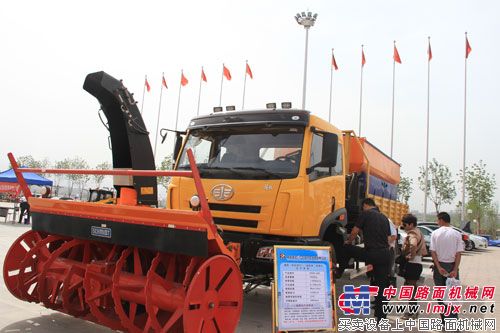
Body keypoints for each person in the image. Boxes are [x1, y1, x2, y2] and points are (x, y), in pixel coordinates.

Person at [343, 198, 392, 322]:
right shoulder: (384, 218)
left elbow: (354, 231)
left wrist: (348, 241)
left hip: (372, 253)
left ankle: (339, 268)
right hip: (385, 255)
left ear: (365, 205)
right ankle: (381, 317)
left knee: (346, 248)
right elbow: (388, 238)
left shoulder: (365, 214)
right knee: (382, 287)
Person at [430, 211, 464, 324]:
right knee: (452, 294)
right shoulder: (456, 234)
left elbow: (433, 252)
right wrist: (455, 269)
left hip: (439, 266)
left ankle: (444, 321)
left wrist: (438, 267)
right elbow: (459, 253)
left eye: (437, 220)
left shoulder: (435, 233)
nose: (437, 222)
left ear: (441, 220)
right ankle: (453, 322)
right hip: (452, 266)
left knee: (440, 294)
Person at [400, 213, 427, 320]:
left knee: (410, 289)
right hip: (417, 264)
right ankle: (412, 311)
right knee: (412, 289)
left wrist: (411, 255)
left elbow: (414, 244)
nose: (404, 226)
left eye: (405, 224)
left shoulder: (412, 233)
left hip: (412, 265)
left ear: (411, 224)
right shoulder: (418, 231)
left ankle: (412, 313)